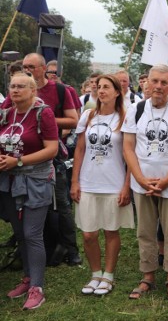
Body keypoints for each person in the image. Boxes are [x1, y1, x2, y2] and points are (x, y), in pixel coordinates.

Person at [122, 64, 168, 301]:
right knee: (145, 231)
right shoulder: (135, 109)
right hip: (141, 182)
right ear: (146, 83)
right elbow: (128, 147)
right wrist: (141, 179)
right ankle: (148, 276)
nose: (158, 87)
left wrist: (167, 180)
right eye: (154, 81)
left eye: (164, 83)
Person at [3, 54, 81, 267]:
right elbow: (6, 116)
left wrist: (40, 116)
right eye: (25, 67)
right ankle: (30, 250)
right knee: (23, 207)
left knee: (61, 204)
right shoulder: (18, 89)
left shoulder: (60, 90)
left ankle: (70, 249)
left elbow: (74, 120)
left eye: (32, 67)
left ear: (43, 68)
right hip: (22, 156)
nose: (28, 70)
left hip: (50, 156)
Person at [70, 74, 134, 296]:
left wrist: (127, 186)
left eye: (107, 87)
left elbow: (129, 155)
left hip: (113, 183)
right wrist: (75, 181)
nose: (101, 90)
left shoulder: (124, 118)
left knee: (111, 231)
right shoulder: (88, 116)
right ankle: (95, 273)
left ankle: (108, 275)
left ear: (118, 92)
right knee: (88, 234)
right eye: (99, 87)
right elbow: (79, 150)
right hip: (88, 182)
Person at [1, 72, 58, 310]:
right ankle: (27, 277)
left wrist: (20, 161)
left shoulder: (42, 113)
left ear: (32, 90)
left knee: (32, 234)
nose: (15, 90)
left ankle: (37, 288)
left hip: (36, 181)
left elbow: (52, 149)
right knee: (20, 233)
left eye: (21, 86)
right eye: (12, 86)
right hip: (9, 182)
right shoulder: (6, 113)